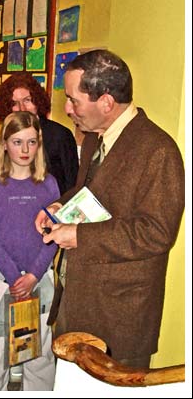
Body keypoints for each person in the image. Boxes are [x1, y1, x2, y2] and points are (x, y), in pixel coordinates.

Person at [35, 49, 185, 369]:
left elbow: (157, 233)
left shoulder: (159, 150)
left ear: (105, 102)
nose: (67, 109)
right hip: (79, 301)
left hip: (118, 314)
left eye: (74, 100)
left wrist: (79, 236)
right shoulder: (93, 138)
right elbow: (90, 193)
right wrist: (59, 206)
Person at [0, 111, 60, 390]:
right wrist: (16, 278)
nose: (25, 150)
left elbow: (54, 236)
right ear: (4, 143)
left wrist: (34, 276)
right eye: (17, 142)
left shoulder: (48, 184)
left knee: (39, 358)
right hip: (5, 282)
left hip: (39, 279)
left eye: (31, 142)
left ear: (39, 144)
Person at [0, 73, 79, 195]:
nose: (22, 108)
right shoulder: (8, 133)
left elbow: (73, 183)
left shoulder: (60, 135)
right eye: (14, 103)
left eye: (27, 100)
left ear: (38, 100)